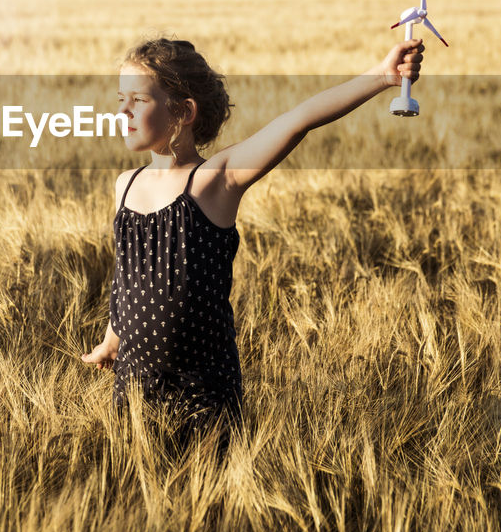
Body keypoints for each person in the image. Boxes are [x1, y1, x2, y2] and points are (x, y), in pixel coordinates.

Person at [81, 34, 425, 458]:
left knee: (213, 502)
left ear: (183, 111)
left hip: (203, 390)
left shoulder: (213, 181)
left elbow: (297, 120)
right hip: (134, 384)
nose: (122, 111)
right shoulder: (125, 185)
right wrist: (113, 338)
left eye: (138, 100)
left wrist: (381, 76)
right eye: (120, 98)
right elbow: (127, 276)